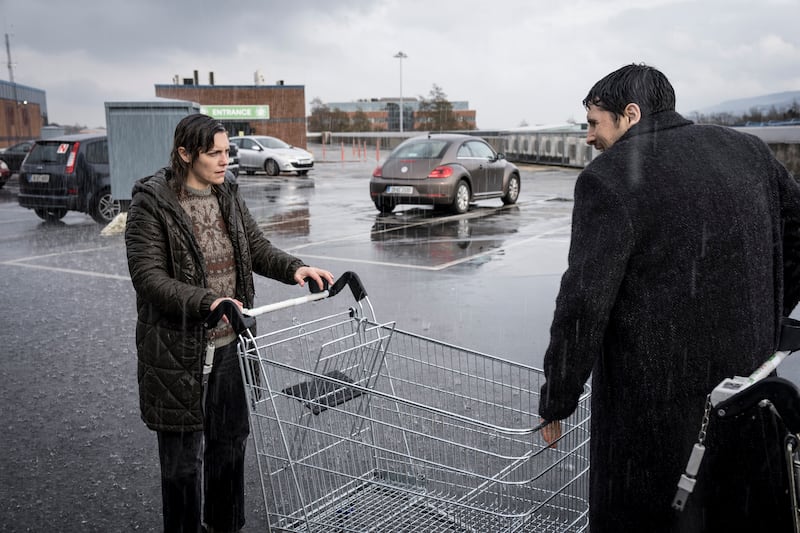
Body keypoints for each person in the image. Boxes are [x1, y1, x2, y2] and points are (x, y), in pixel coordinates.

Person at [537, 64, 800, 532]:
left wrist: (558, 398)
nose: (588, 137)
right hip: (748, 396)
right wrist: (770, 311)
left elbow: (582, 304)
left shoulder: (611, 178)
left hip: (657, 416)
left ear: (630, 114)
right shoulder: (748, 151)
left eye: (594, 122)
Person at [125, 113, 334, 533]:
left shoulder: (228, 192)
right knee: (183, 465)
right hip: (179, 353)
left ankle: (225, 526)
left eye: (226, 152)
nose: (225, 161)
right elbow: (148, 277)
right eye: (214, 153)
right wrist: (208, 301)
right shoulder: (153, 202)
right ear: (185, 153)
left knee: (230, 447)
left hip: (232, 345)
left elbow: (254, 247)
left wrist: (295, 268)